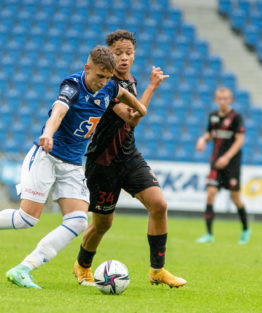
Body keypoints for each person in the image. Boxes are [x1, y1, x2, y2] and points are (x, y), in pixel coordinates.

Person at [0, 46, 147, 289]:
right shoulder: (72, 86)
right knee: (27, 218)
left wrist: (141, 108)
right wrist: (48, 134)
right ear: (87, 68)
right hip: (46, 156)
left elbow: (134, 107)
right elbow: (58, 112)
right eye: (99, 77)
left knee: (78, 222)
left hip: (72, 164)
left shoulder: (112, 87)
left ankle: (23, 268)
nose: (102, 82)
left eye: (107, 77)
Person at [72, 30, 186, 288]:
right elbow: (133, 117)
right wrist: (153, 87)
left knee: (159, 205)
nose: (124, 58)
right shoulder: (106, 85)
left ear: (134, 55)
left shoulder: (130, 80)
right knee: (103, 224)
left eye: (129, 53)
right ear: (109, 56)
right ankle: (82, 265)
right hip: (103, 162)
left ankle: (157, 270)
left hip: (129, 156)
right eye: (118, 53)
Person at [195, 87, 251, 244]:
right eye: (220, 98)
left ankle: (246, 229)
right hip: (215, 162)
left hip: (231, 164)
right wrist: (202, 139)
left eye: (226, 98)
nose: (223, 101)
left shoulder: (236, 117)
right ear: (216, 99)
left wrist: (226, 157)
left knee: (235, 198)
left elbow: (240, 140)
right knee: (211, 193)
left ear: (231, 99)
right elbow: (212, 134)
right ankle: (209, 234)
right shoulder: (213, 116)